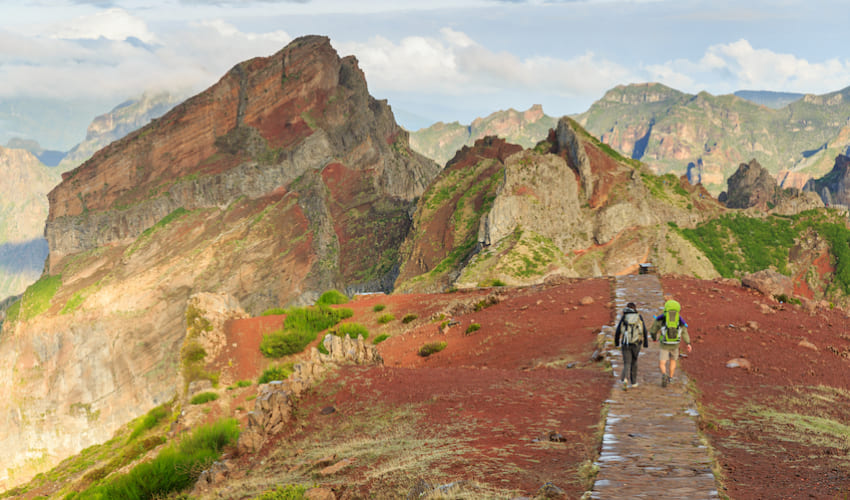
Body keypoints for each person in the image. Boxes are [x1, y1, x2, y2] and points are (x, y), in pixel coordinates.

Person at [649, 298, 692, 387]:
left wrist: (654, 338)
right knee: (673, 361)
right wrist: (688, 343)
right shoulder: (679, 319)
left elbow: (653, 331)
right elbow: (684, 332)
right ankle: (671, 378)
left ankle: (664, 374)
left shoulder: (662, 318)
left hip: (664, 344)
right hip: (675, 344)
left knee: (662, 362)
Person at [614, 302, 648, 389]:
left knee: (627, 363)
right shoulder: (639, 317)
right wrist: (645, 342)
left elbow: (618, 330)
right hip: (637, 343)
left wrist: (616, 342)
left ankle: (625, 379)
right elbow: (644, 330)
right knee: (634, 361)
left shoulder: (624, 317)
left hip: (626, 343)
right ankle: (634, 382)